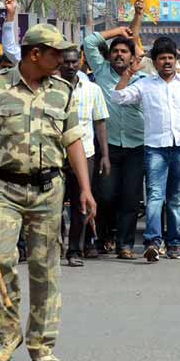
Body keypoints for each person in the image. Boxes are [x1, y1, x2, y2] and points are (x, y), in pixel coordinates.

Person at [0, 24, 95, 361]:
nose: (64, 59)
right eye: (56, 54)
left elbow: (74, 141)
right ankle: (7, 338)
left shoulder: (63, 91)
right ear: (35, 54)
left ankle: (41, 343)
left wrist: (85, 188)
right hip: (3, 190)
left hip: (48, 190)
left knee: (45, 268)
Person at [112, 36, 180, 262]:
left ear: (176, 60)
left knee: (176, 197)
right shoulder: (145, 84)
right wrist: (128, 73)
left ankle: (174, 242)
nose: (167, 62)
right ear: (155, 62)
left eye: (170, 58)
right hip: (155, 147)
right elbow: (117, 97)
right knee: (155, 196)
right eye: (162, 58)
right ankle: (153, 242)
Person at [83, 19, 146, 259]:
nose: (119, 55)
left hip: (136, 145)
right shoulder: (100, 71)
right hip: (106, 146)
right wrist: (118, 32)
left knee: (130, 197)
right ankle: (104, 236)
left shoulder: (143, 79)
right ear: (108, 56)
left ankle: (125, 245)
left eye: (124, 51)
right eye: (115, 51)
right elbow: (89, 41)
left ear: (132, 57)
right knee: (106, 195)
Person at [59, 48, 110, 268]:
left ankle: (75, 250)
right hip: (54, 154)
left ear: (81, 62)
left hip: (85, 153)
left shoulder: (92, 89)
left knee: (81, 203)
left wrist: (104, 155)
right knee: (53, 204)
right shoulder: (49, 88)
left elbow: (100, 123)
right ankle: (55, 245)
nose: (70, 66)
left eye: (74, 62)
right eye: (66, 62)